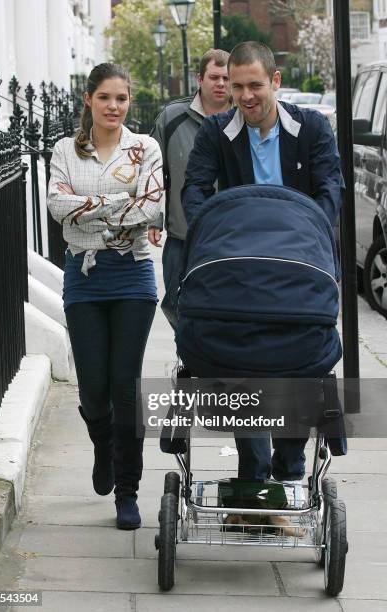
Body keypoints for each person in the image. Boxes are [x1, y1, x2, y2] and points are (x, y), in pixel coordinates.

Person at [181, 42, 344, 531]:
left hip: (298, 271)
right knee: (246, 371)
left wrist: (310, 235)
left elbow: (330, 188)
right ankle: (254, 489)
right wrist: (210, 230)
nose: (246, 96)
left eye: (255, 85)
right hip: (241, 272)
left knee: (298, 369)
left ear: (275, 81)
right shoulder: (216, 131)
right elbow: (194, 188)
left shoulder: (312, 128)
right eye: (236, 87)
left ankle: (287, 481)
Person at [47, 63, 164, 530]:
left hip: (133, 275)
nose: (114, 107)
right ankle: (103, 446)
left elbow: (153, 206)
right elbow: (57, 206)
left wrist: (89, 211)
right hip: (84, 277)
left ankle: (128, 491)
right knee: (94, 389)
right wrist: (122, 207)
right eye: (105, 98)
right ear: (88, 101)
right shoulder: (63, 150)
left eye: (122, 99)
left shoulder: (145, 148)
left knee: (125, 385)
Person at [149, 49, 231, 330]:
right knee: (175, 304)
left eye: (226, 78)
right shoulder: (172, 118)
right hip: (182, 236)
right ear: (199, 79)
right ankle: (188, 359)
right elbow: (151, 171)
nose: (221, 83)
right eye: (214, 77)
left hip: (231, 239)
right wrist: (153, 219)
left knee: (226, 310)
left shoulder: (246, 119)